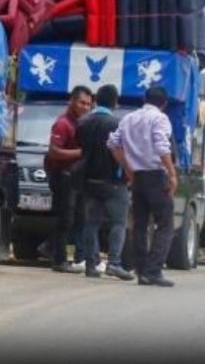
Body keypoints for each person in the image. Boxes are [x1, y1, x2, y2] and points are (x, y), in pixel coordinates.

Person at [107, 86, 178, 287]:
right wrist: (172, 173)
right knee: (165, 223)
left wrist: (128, 167)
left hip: (137, 176)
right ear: (164, 104)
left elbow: (112, 143)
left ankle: (142, 271)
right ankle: (154, 270)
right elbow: (162, 146)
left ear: (144, 99)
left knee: (139, 225)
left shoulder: (129, 118)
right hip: (156, 175)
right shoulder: (160, 119)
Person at [77, 84, 133, 281]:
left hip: (89, 180)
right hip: (113, 182)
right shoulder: (117, 125)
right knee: (118, 222)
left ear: (95, 100)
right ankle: (114, 263)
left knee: (91, 223)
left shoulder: (83, 122)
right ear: (115, 102)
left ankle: (91, 265)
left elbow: (80, 150)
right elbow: (122, 152)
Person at [46, 85, 92, 273]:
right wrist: (81, 153)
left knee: (79, 219)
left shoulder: (82, 123)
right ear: (71, 101)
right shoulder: (63, 123)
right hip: (63, 177)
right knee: (65, 219)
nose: (85, 107)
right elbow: (54, 152)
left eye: (89, 104)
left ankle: (52, 248)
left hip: (77, 178)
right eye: (82, 102)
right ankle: (59, 260)